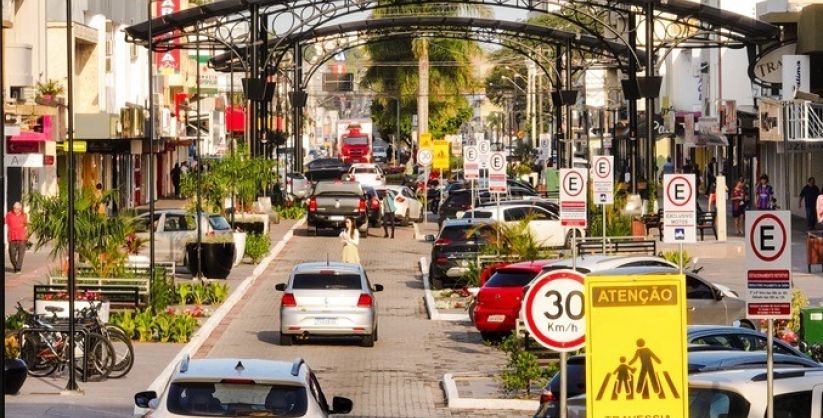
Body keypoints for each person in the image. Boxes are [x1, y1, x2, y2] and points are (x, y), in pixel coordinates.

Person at [5, 202, 28, 274]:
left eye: (17, 208)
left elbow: (26, 226)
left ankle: (18, 268)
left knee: (21, 254)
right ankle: (15, 266)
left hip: (22, 237)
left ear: (20, 209)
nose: (15, 209)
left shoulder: (24, 215)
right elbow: (5, 224)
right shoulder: (9, 214)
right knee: (12, 254)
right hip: (12, 237)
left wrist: (27, 235)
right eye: (14, 208)